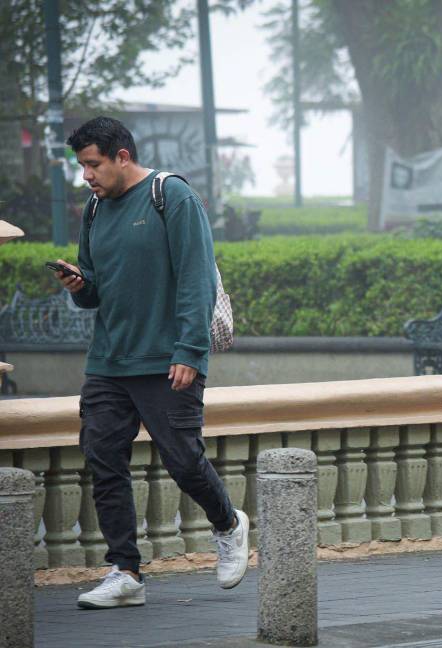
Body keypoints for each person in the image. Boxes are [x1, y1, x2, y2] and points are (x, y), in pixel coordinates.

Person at [55, 117, 250, 609]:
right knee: (104, 459)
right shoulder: (96, 209)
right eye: (82, 166)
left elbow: (197, 278)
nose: (87, 176)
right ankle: (125, 571)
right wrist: (81, 285)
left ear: (123, 156)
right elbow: (96, 288)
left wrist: (189, 351)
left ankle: (228, 523)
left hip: (168, 360)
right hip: (109, 360)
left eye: (93, 164)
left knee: (184, 460)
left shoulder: (172, 196)